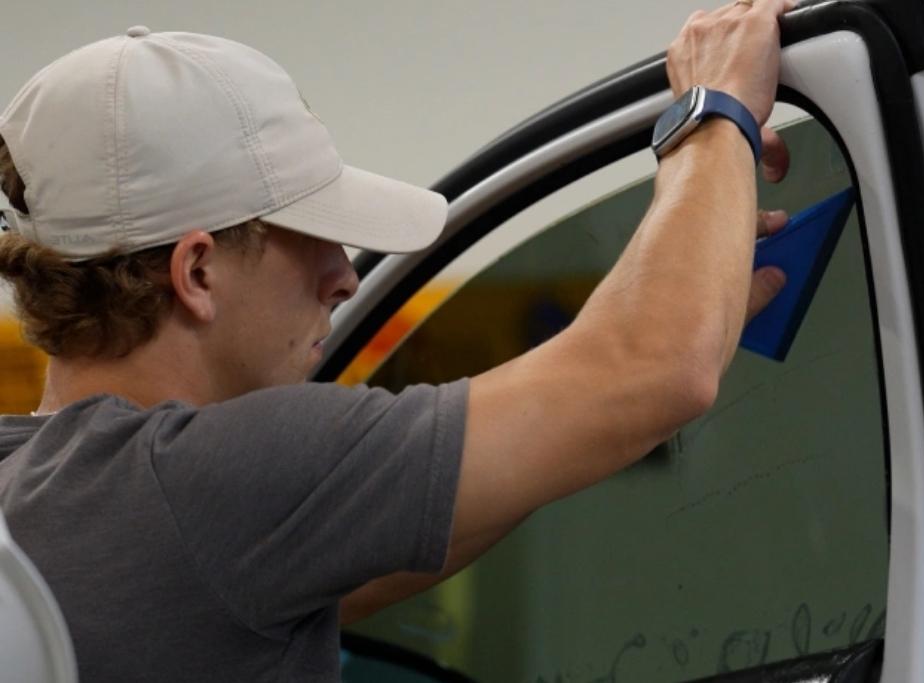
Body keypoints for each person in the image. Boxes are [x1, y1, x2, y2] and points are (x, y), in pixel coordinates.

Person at [0, 1, 793, 681]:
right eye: (309, 234)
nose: (344, 276)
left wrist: (693, 277)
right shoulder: (207, 480)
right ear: (198, 272)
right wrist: (711, 114)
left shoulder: (41, 491)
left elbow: (373, 556)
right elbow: (655, 370)